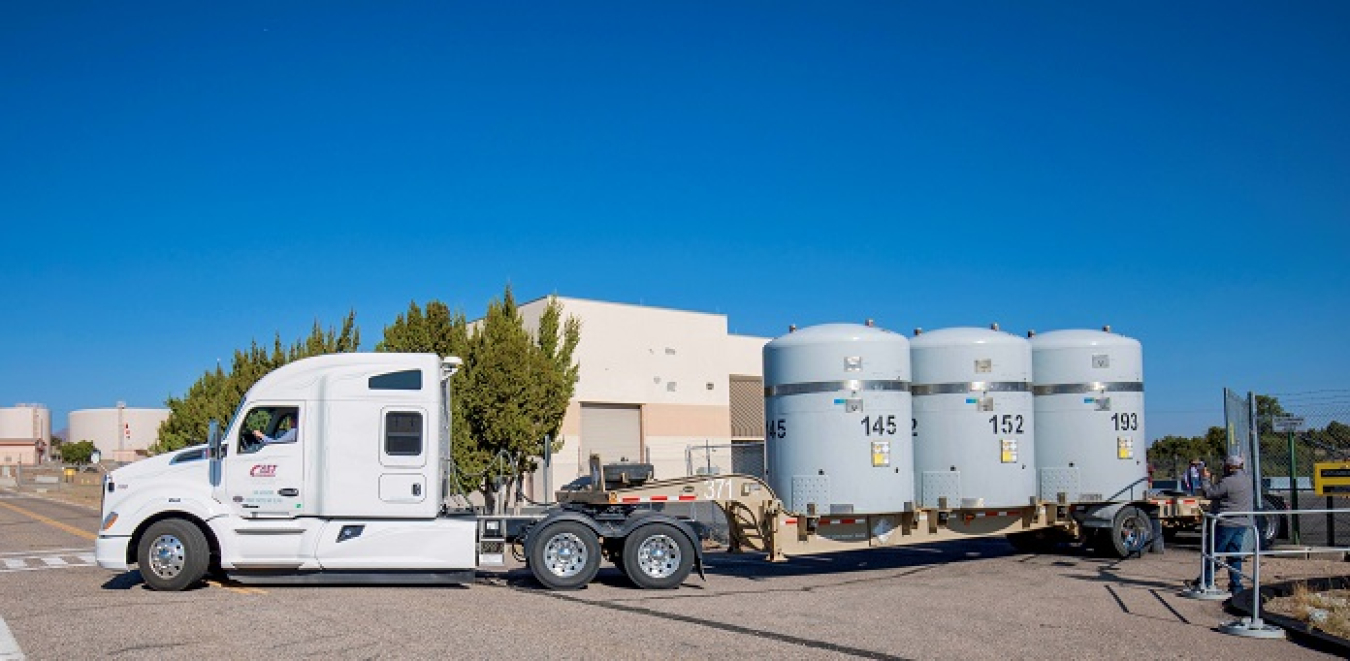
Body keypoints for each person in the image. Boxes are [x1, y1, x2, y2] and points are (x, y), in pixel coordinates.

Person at [1191, 455, 1254, 593]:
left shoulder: (1228, 482)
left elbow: (1209, 493)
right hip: (1241, 522)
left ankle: (1206, 582)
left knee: (1213, 553)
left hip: (1226, 523)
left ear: (1230, 467)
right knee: (1234, 555)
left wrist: (1204, 477)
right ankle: (1236, 586)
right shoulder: (1247, 480)